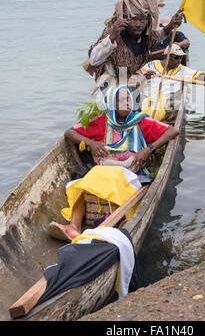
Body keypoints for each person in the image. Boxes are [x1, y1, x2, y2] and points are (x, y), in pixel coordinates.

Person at [48, 85, 179, 241]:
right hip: (102, 172)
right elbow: (70, 132)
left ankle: (107, 228)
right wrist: (91, 143)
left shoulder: (140, 121)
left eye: (129, 99)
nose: (127, 103)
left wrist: (148, 149)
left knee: (111, 181)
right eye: (122, 100)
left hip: (129, 175)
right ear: (112, 104)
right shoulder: (102, 122)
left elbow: (172, 131)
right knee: (87, 183)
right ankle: (74, 227)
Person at [87, 0, 183, 90]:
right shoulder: (114, 32)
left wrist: (170, 26)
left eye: (142, 20)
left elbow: (157, 36)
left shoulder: (145, 34)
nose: (139, 25)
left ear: (148, 21)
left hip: (130, 79)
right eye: (134, 20)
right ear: (125, 19)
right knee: (123, 98)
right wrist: (112, 37)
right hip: (112, 82)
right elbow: (93, 61)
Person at [140, 44, 205, 121]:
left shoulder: (183, 70)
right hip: (148, 98)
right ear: (168, 56)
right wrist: (145, 75)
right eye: (177, 57)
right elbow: (139, 75)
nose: (179, 60)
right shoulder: (152, 64)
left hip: (168, 101)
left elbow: (199, 75)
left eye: (181, 57)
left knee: (171, 106)